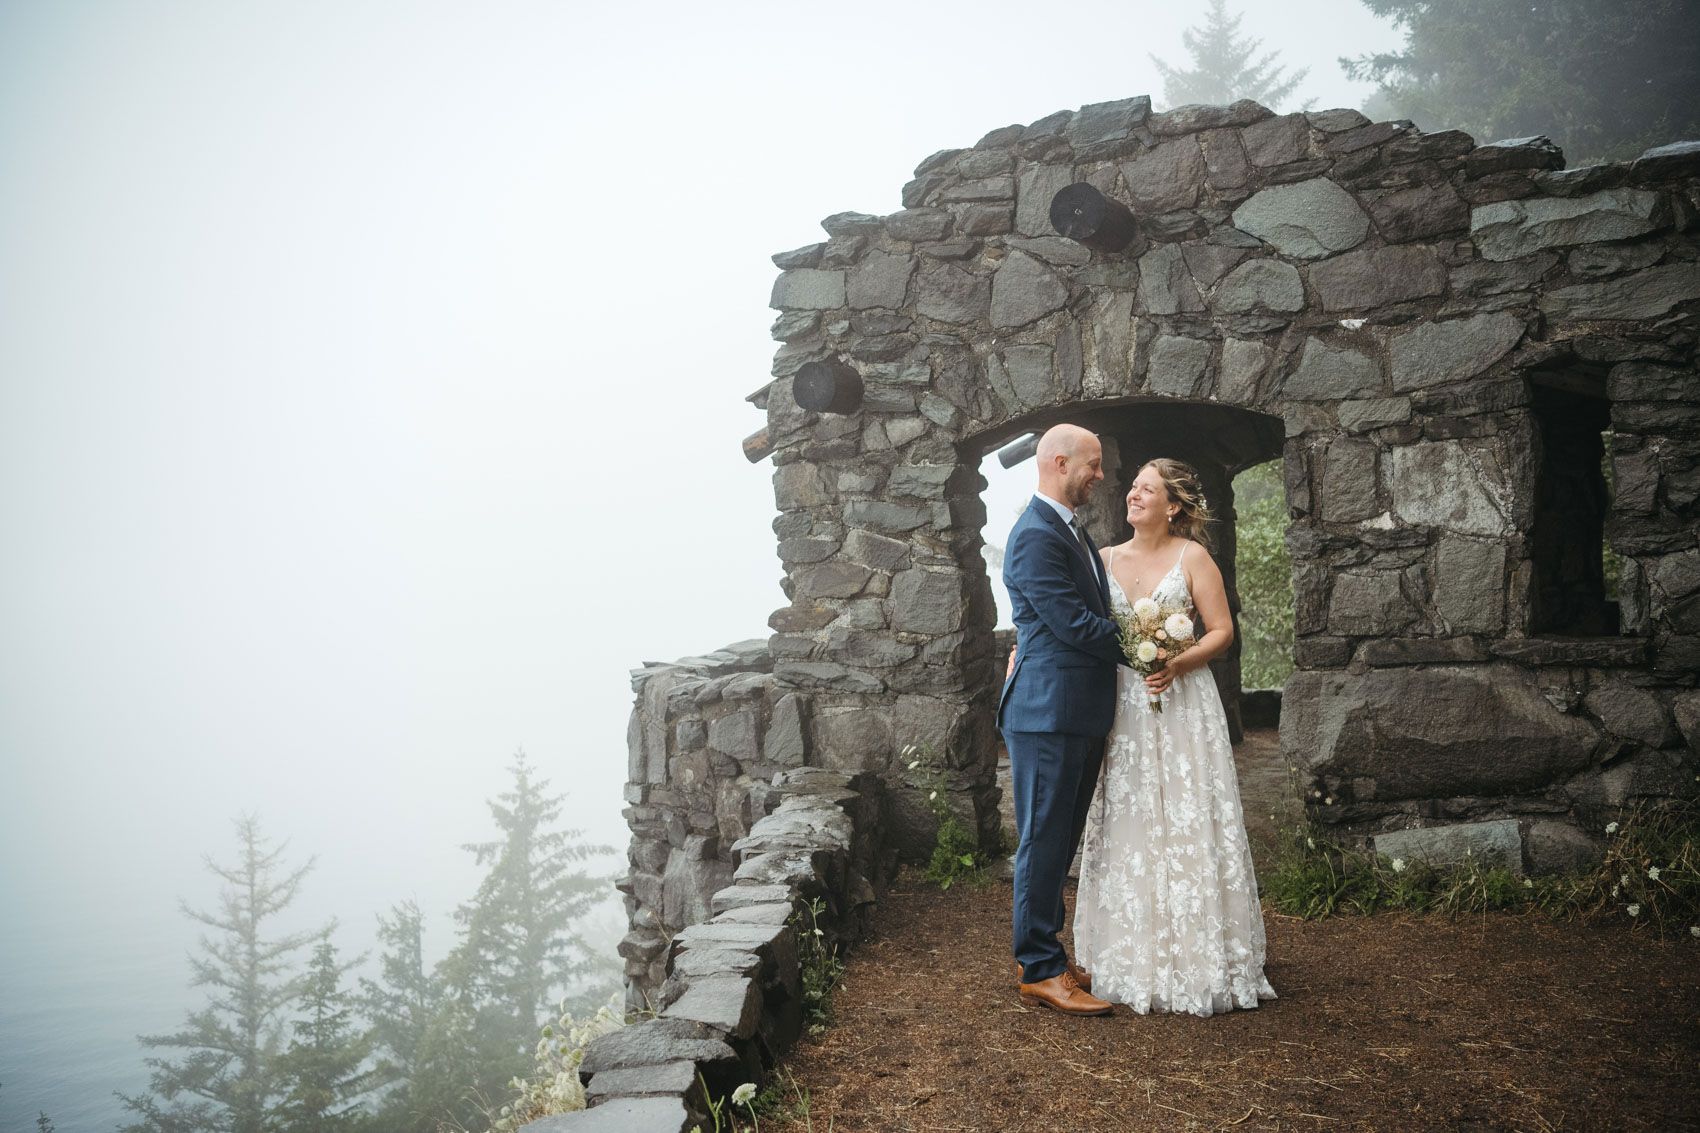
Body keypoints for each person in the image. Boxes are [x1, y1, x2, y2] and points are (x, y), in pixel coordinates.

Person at [1072, 457, 1276, 1016]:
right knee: (1129, 815)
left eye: (1146, 489)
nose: (1132, 495)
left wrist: (1177, 663)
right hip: (1122, 706)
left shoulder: (1193, 557)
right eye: (1133, 487)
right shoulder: (1104, 559)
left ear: (1174, 506)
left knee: (1186, 812)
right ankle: (1128, 955)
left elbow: (1222, 632)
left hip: (1183, 702)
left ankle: (1200, 956)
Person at [998, 423, 1122, 1017]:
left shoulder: (1068, 529)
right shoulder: (1034, 536)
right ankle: (1039, 969)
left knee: (1059, 841)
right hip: (1047, 712)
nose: (1100, 475)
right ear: (1058, 461)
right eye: (1092, 465)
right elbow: (1075, 625)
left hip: (1074, 710)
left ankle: (1049, 951)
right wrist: (1149, 641)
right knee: (1043, 842)